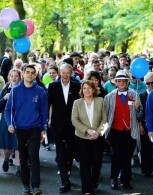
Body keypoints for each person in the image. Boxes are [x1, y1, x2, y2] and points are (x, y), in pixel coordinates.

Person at [4, 64, 48, 195]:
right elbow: (8, 110)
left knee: (34, 156)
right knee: (23, 158)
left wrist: (43, 128)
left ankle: (35, 186)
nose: (29, 74)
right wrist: (9, 124)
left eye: (32, 73)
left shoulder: (40, 91)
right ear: (23, 74)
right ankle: (25, 186)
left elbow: (44, 112)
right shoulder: (15, 91)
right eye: (27, 72)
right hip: (20, 129)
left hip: (35, 128)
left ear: (35, 75)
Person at [104, 70, 143, 190]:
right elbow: (104, 116)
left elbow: (140, 115)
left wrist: (137, 108)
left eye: (124, 81)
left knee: (127, 157)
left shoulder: (134, 94)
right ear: (115, 82)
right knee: (116, 156)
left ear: (128, 82)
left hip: (130, 131)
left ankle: (126, 181)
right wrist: (102, 134)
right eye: (119, 81)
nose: (122, 83)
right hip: (115, 131)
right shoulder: (109, 96)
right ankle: (114, 179)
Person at [47, 63, 80, 194]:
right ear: (59, 73)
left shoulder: (77, 85)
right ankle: (64, 180)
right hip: (58, 124)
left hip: (73, 124)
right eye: (63, 72)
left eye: (68, 72)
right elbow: (48, 103)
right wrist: (48, 120)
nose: (66, 75)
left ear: (71, 73)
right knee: (60, 152)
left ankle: (68, 171)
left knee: (71, 151)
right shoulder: (53, 86)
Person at [71, 80, 107, 195]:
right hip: (82, 137)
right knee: (85, 164)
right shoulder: (77, 103)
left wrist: (98, 132)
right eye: (84, 88)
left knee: (96, 162)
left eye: (89, 88)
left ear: (94, 89)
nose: (87, 90)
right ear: (82, 90)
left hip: (98, 137)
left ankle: (94, 180)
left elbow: (105, 120)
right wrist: (88, 130)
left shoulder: (100, 101)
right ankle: (86, 189)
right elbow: (74, 120)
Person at [0, 69, 22, 176]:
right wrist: (4, 98)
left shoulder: (23, 89)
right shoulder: (5, 90)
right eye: (12, 76)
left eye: (16, 76)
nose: (14, 78)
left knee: (18, 144)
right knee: (7, 144)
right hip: (6, 120)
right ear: (9, 77)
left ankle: (19, 168)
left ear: (20, 77)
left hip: (20, 120)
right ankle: (6, 159)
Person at [139, 72, 153, 177]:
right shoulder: (141, 95)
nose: (150, 85)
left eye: (152, 83)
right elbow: (139, 113)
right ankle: (146, 170)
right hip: (145, 125)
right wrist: (140, 125)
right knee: (145, 149)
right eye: (147, 83)